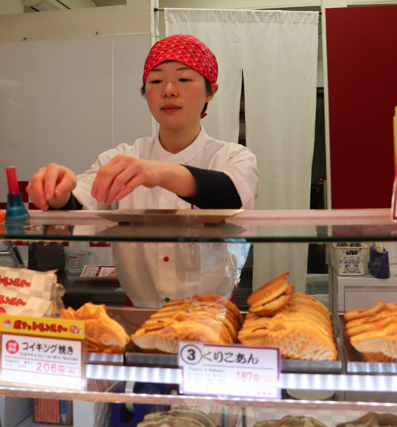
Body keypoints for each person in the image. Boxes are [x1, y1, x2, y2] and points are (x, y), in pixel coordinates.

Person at [27, 34, 259, 307]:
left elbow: (230, 192)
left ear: (211, 91)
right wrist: (58, 192)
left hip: (211, 318)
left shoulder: (233, 156)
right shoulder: (122, 157)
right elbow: (82, 199)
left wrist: (160, 173)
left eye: (184, 79)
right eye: (156, 80)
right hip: (138, 316)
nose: (169, 90)